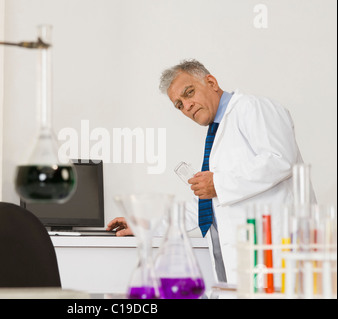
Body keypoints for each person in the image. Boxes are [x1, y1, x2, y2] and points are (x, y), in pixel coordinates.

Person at [107, 59, 311, 285]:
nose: (187, 106)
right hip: (245, 266)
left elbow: (281, 159)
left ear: (211, 82)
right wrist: (144, 224)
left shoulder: (252, 107)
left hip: (280, 258)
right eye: (179, 104)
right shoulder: (218, 135)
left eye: (189, 92)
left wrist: (219, 184)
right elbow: (205, 207)